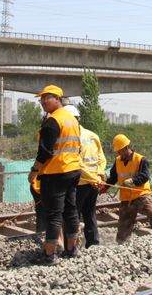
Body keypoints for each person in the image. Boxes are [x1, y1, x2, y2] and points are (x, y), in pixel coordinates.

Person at [27, 85, 81, 264]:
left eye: (46, 98)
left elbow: (45, 151)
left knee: (53, 214)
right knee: (71, 210)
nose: (43, 101)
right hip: (72, 170)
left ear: (57, 98)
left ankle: (50, 254)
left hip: (55, 172)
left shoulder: (53, 121)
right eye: (41, 99)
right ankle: (72, 248)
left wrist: (34, 171)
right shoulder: (72, 120)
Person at [104, 134, 152, 243]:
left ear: (125, 148)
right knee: (124, 224)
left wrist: (133, 181)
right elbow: (113, 178)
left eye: (120, 150)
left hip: (140, 195)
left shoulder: (141, 159)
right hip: (126, 198)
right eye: (117, 151)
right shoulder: (118, 161)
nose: (118, 153)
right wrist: (105, 187)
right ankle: (121, 243)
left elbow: (144, 176)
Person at [63, 105, 107, 248]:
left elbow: (77, 164)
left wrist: (96, 178)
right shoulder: (92, 135)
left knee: (72, 215)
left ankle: (71, 246)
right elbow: (102, 159)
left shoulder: (70, 138)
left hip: (79, 184)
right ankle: (93, 243)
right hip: (93, 184)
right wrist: (99, 176)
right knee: (90, 213)